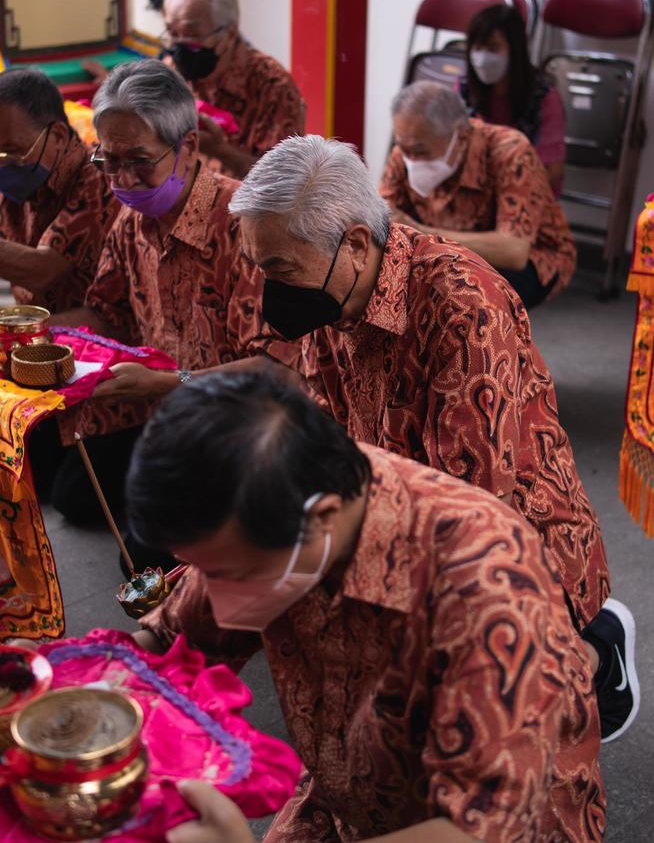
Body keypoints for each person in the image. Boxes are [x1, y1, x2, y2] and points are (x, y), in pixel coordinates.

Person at [228, 133, 638, 744]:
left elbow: (474, 510)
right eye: (260, 269)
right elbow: (325, 438)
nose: (269, 293)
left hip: (512, 538)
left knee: (479, 718)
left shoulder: (462, 304)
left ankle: (595, 653)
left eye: (279, 269)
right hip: (399, 507)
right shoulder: (332, 295)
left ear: (356, 244)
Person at [128, 370, 605, 843]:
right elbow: (171, 641)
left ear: (323, 517)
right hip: (349, 797)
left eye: (229, 574)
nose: (211, 594)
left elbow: (478, 828)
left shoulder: (487, 583)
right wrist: (85, 681)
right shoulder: (284, 503)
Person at [37, 59, 296, 550]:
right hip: (168, 414)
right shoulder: (134, 218)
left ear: (189, 147)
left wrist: (167, 382)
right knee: (72, 493)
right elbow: (106, 313)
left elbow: (281, 370)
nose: (122, 180)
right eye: (107, 161)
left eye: (138, 160)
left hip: (247, 433)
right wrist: (33, 334)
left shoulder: (245, 229)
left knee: (151, 559)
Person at [380, 81, 576, 309]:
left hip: (534, 257)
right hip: (443, 248)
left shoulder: (510, 152)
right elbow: (386, 219)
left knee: (462, 300)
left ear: (461, 137)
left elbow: (514, 251)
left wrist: (421, 232)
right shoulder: (406, 150)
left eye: (421, 152)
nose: (411, 160)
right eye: (404, 149)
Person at [162, 0, 305, 178]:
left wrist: (220, 151)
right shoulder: (171, 73)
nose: (179, 46)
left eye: (192, 34)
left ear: (229, 33)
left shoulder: (272, 86)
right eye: (172, 33)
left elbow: (284, 182)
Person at [0, 69, 119, 311]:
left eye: (12, 150)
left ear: (58, 136)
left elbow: (43, 270)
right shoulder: (16, 172)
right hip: (38, 328)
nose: (4, 162)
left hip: (96, 340)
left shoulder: (101, 176)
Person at [460, 3, 566, 197]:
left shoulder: (543, 98)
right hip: (473, 192)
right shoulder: (464, 89)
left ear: (514, 50)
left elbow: (553, 171)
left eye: (493, 48)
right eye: (477, 48)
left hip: (525, 193)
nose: (482, 58)